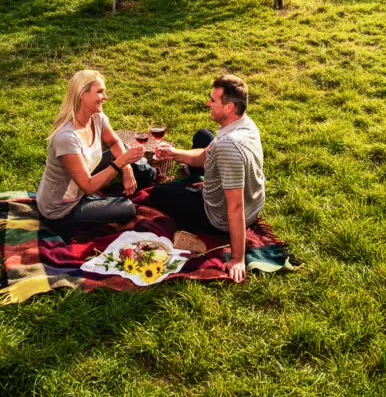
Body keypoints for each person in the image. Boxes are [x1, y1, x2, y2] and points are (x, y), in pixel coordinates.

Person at [150, 74, 265, 283]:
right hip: (253, 202)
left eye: (213, 100)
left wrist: (238, 258)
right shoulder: (243, 124)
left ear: (229, 107)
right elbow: (205, 154)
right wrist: (174, 153)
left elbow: (236, 206)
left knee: (158, 194)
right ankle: (193, 175)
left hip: (219, 216)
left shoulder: (229, 146)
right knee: (203, 135)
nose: (207, 103)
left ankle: (193, 184)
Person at [37, 70, 155, 233]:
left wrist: (127, 169)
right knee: (128, 209)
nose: (105, 97)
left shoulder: (96, 118)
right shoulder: (66, 138)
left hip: (81, 186)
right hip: (61, 210)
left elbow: (114, 142)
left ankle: (148, 175)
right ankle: (114, 197)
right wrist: (121, 163)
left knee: (126, 153)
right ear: (82, 95)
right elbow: (88, 186)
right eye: (100, 92)